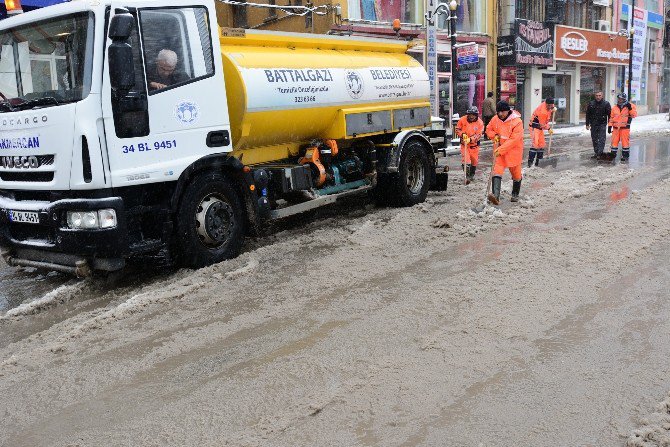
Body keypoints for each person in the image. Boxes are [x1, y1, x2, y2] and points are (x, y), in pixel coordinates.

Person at [485, 101, 524, 203]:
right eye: (499, 112)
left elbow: (514, 140)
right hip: (499, 152)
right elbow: (488, 129)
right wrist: (494, 135)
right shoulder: (495, 119)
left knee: (516, 174)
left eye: (503, 111)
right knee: (496, 171)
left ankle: (515, 194)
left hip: (513, 152)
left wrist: (501, 150)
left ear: (508, 111)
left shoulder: (517, 122)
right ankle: (495, 196)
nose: (501, 114)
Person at [456, 106, 484, 184]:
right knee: (466, 160)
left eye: (473, 115)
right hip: (464, 145)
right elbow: (458, 129)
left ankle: (472, 174)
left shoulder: (480, 123)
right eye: (470, 114)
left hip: (474, 145)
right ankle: (467, 177)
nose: (471, 116)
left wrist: (470, 139)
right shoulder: (462, 120)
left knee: (474, 161)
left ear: (476, 115)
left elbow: (479, 134)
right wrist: (462, 134)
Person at [608, 93, 638, 163]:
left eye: (621, 99)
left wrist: (630, 108)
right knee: (614, 143)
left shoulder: (631, 106)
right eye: (619, 98)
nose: (620, 100)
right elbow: (611, 118)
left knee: (625, 143)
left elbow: (634, 115)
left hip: (625, 128)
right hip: (615, 128)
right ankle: (613, 155)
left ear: (624, 99)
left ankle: (625, 156)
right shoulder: (614, 107)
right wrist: (609, 125)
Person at [527, 98, 555, 167]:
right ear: (546, 104)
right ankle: (530, 163)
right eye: (549, 106)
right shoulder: (542, 111)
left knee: (541, 145)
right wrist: (549, 128)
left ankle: (538, 163)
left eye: (551, 106)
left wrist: (553, 108)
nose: (550, 107)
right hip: (534, 126)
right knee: (535, 145)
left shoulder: (550, 106)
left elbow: (552, 107)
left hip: (540, 128)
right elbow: (542, 124)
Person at [585, 91, 611, 159]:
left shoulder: (606, 104)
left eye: (599, 95)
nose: (598, 97)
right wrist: (587, 124)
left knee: (602, 139)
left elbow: (610, 115)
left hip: (602, 123)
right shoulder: (591, 103)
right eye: (597, 95)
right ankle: (596, 153)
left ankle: (600, 153)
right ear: (595, 96)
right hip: (593, 124)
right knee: (594, 139)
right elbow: (588, 114)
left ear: (602, 96)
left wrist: (610, 125)